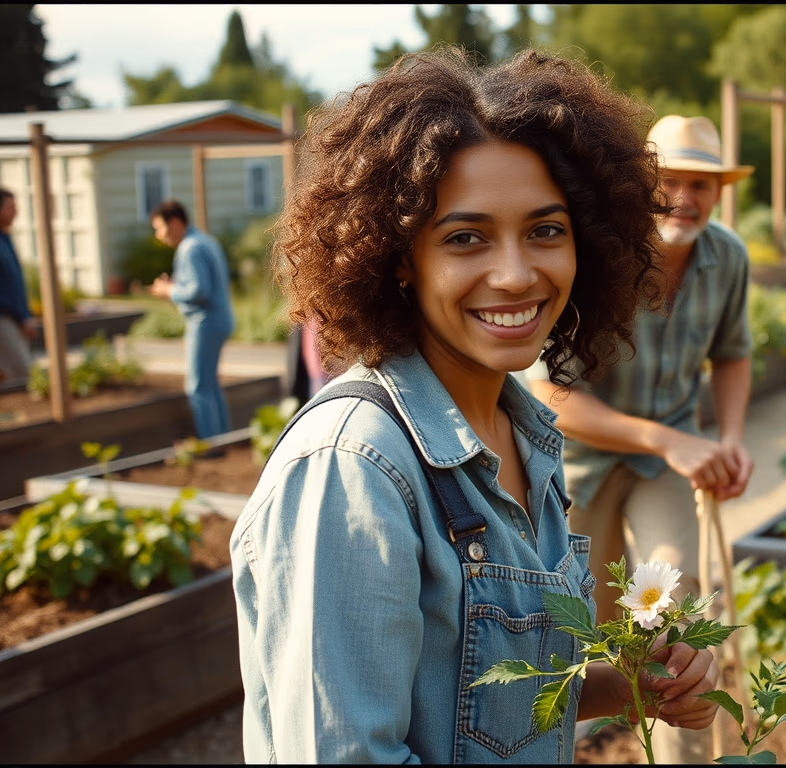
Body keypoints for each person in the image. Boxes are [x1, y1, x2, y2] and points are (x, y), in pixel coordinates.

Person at [229, 47, 720, 763]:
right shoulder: (354, 469)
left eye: (546, 230)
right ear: (398, 255)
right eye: (466, 238)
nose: (517, 273)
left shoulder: (522, 437)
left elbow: (475, 698)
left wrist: (632, 687)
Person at [526, 114, 756, 763]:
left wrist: (731, 437)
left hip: (665, 469)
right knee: (579, 636)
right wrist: (667, 440)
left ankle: (684, 757)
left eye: (702, 185)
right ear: (641, 186)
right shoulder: (599, 254)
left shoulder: (727, 257)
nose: (685, 197)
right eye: (671, 181)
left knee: (672, 619)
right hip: (580, 467)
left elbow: (733, 353)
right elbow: (548, 393)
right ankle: (556, 749)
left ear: (719, 193)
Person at [148, 200, 235, 440]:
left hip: (204, 322)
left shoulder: (190, 247)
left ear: (175, 222)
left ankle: (211, 444)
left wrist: (168, 291)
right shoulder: (204, 240)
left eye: (160, 228)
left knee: (197, 386)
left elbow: (199, 290)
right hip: (219, 319)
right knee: (210, 384)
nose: (158, 235)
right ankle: (224, 438)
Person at [0, 188, 35, 387]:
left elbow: (13, 282)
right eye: (10, 207)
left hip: (14, 318)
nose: (16, 212)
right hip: (3, 318)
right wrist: (20, 315)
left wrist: (25, 315)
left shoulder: (5, 238)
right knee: (23, 375)